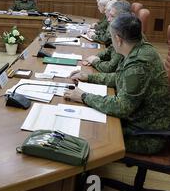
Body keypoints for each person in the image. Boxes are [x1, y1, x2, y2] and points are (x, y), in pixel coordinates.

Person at [64, 14, 170, 155]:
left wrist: (83, 96)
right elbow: (121, 77)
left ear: (118, 39)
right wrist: (89, 76)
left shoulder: (138, 65)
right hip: (139, 120)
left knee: (84, 135)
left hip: (146, 134)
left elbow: (121, 107)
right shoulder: (141, 49)